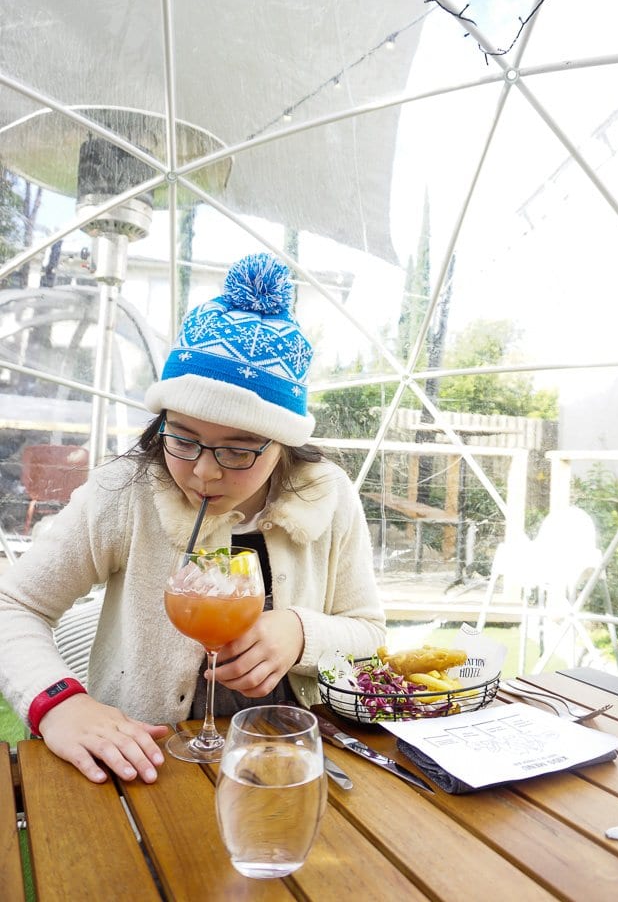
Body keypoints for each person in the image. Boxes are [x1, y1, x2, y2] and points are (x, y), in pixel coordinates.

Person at [0, 252, 386, 784]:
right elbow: (13, 603)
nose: (203, 472)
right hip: (145, 764)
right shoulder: (126, 491)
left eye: (239, 449)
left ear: (284, 445)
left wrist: (300, 632)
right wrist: (58, 704)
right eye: (182, 437)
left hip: (288, 760)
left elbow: (368, 630)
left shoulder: (328, 496)